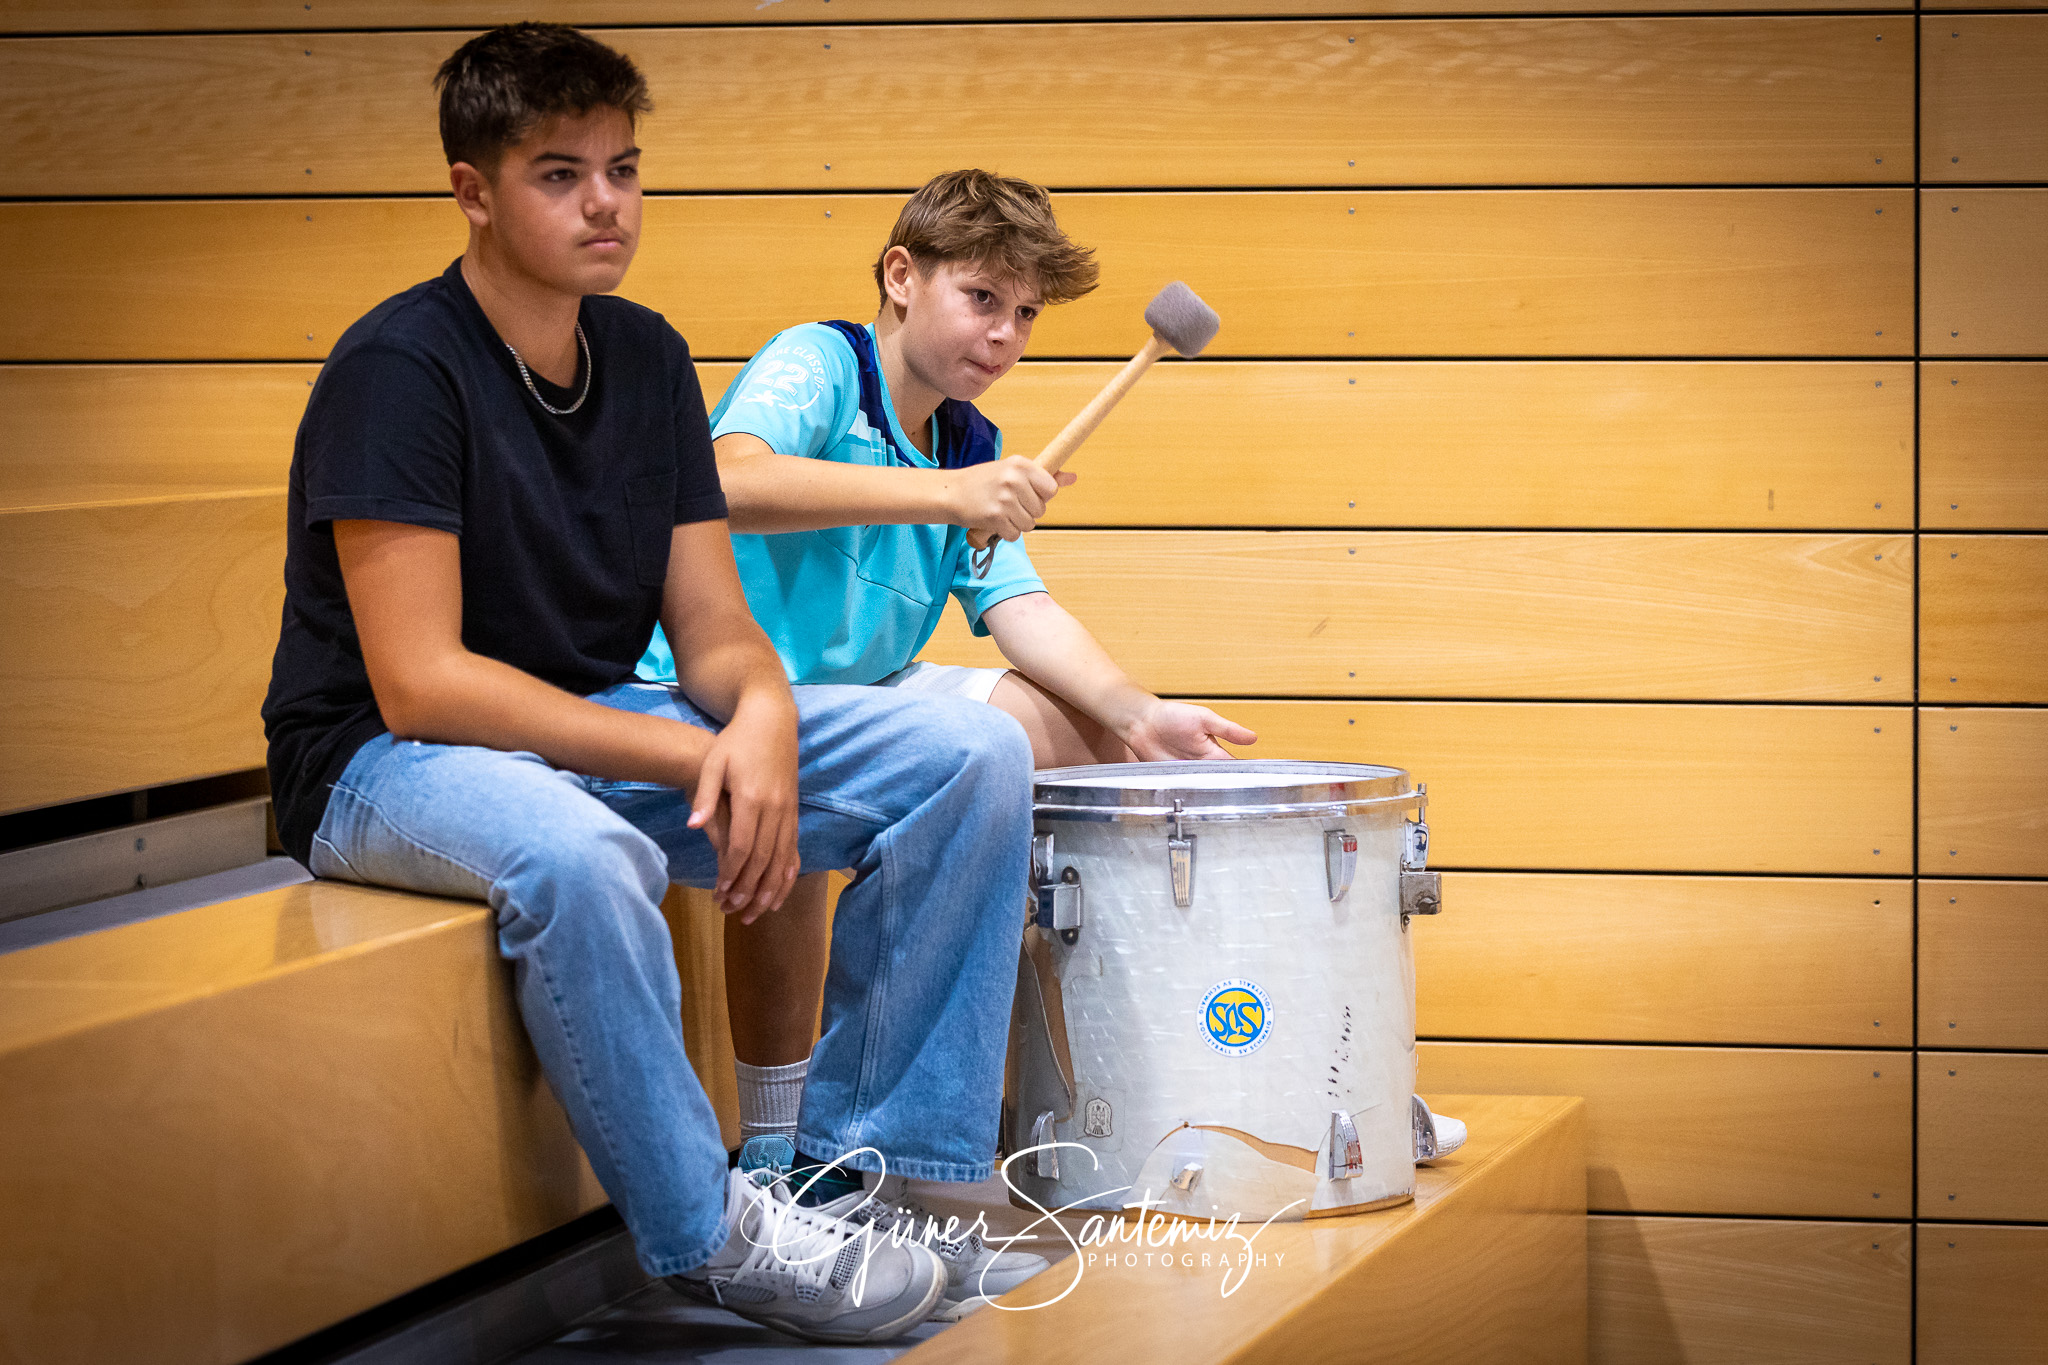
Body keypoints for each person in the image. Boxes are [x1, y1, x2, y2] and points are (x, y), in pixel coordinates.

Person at [260, 25, 1035, 1343]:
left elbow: (713, 623)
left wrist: (768, 718)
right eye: (559, 174)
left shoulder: (646, 354)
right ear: (473, 191)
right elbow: (421, 681)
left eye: (622, 169)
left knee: (965, 756)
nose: (605, 203)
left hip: (594, 716)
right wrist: (700, 757)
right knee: (578, 857)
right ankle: (711, 1235)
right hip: (375, 765)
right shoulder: (399, 368)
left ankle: (865, 1182)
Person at [636, 170, 1258, 1180]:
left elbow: (1016, 607)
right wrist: (943, 494)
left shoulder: (972, 443)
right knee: (795, 829)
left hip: (867, 689)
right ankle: (777, 1148)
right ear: (900, 277)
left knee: (1083, 742)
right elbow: (726, 480)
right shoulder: (822, 364)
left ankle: (1071, 1106)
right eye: (981, 299)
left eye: (1024, 314)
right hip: (716, 694)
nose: (1004, 335)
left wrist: (1138, 711)